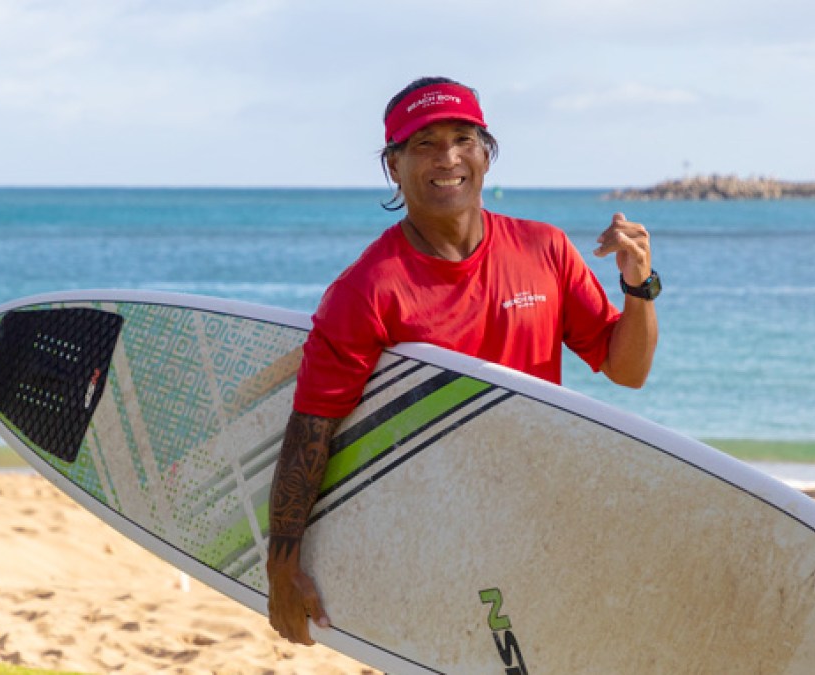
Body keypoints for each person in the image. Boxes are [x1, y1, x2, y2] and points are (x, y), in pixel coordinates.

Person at [266, 76, 660, 645]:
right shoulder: (370, 290)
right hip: (432, 538)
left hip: (539, 516)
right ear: (394, 166)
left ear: (485, 155)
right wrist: (283, 567)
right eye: (424, 144)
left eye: (462, 139)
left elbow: (629, 370)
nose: (447, 158)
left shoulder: (544, 250)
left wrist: (637, 285)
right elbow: (312, 426)